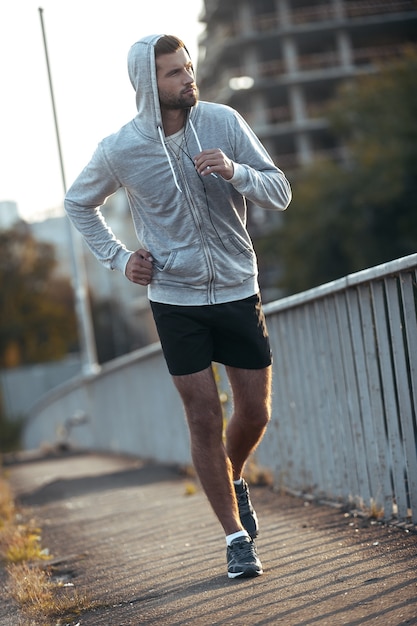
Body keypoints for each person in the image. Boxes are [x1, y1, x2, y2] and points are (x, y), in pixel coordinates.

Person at [65, 34, 291, 579]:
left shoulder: (223, 122)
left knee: (254, 411)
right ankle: (236, 538)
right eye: (174, 73)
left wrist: (235, 172)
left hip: (238, 287)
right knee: (202, 414)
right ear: (149, 83)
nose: (188, 79)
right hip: (175, 299)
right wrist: (120, 260)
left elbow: (279, 190)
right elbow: (78, 202)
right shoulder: (120, 148)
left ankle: (232, 478)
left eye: (188, 69)